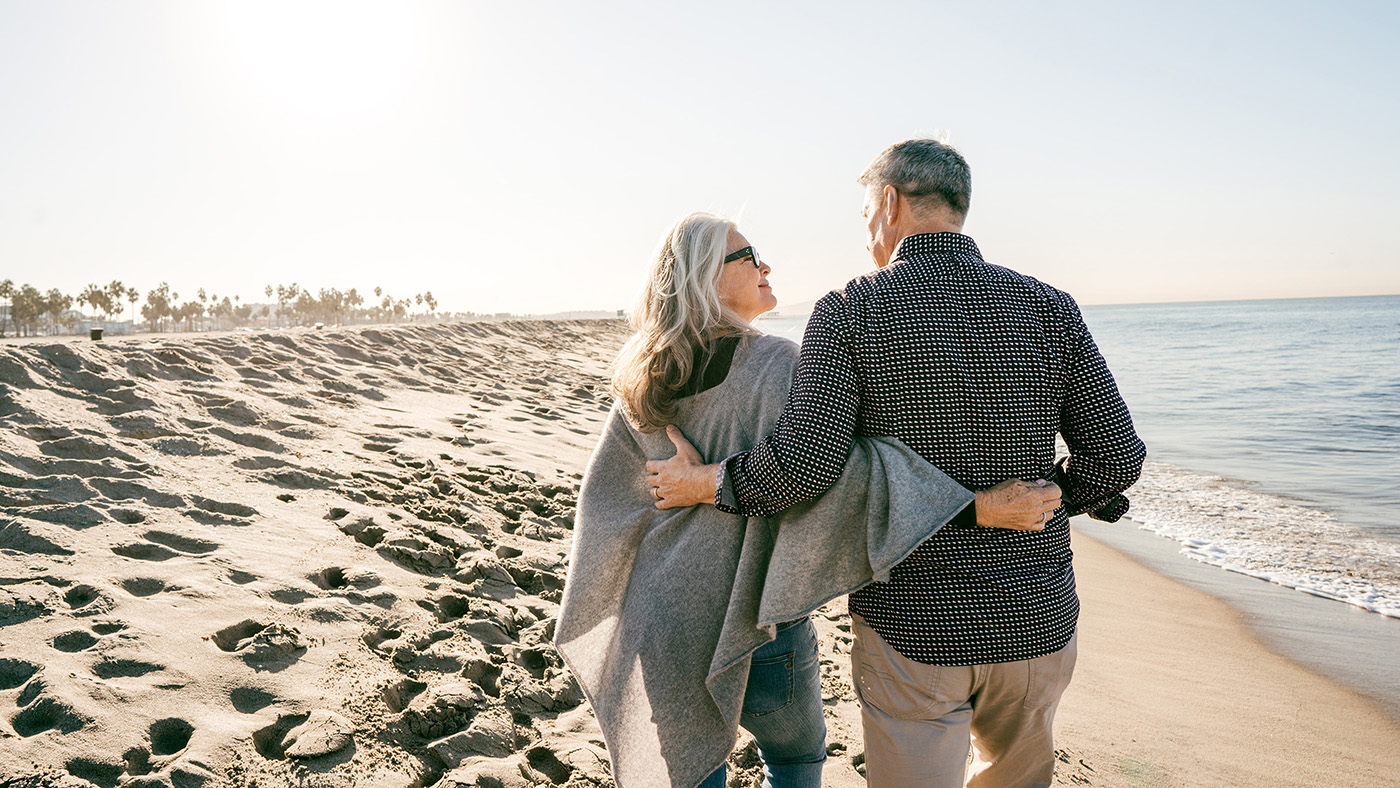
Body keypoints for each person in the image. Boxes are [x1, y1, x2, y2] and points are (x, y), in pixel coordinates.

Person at [648, 140, 1147, 788]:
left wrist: (711, 483)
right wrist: (1049, 496)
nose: (865, 237)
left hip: (914, 627)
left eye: (864, 217)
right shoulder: (1051, 306)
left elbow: (805, 467)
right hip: (1037, 619)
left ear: (889, 204)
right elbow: (1117, 458)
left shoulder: (850, 309)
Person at [554, 212, 1059, 788]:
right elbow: (830, 478)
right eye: (747, 257)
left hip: (662, 617)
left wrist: (685, 498)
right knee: (795, 761)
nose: (764, 264)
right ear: (705, 279)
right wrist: (974, 504)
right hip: (759, 618)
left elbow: (608, 504)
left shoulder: (641, 375)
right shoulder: (776, 364)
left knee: (691, 774)